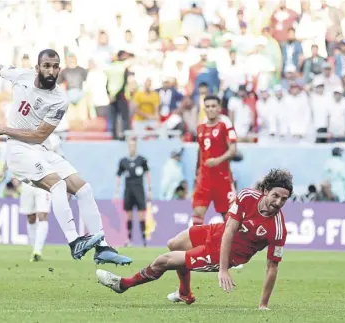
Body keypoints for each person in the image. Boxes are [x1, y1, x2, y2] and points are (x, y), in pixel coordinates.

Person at [0, 49, 132, 266]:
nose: (51, 70)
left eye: (55, 66)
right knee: (58, 186)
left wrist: (6, 129)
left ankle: (103, 247)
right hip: (18, 150)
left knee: (84, 189)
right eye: (46, 66)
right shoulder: (22, 76)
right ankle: (74, 241)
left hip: (39, 147)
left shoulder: (59, 100)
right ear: (37, 68)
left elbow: (40, 135)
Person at [95, 169, 292, 310]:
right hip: (218, 232)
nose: (278, 202)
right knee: (174, 244)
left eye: (284, 199)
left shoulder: (277, 229)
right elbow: (230, 230)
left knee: (165, 261)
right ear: (266, 191)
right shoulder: (247, 196)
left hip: (223, 254)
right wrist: (223, 270)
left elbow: (272, 268)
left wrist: (263, 305)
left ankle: (123, 284)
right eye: (275, 196)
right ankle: (185, 293)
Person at [191, 95, 238, 226]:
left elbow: (233, 149)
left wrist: (218, 160)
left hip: (222, 178)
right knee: (198, 213)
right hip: (204, 178)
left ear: (219, 108)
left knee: (228, 216)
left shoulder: (224, 124)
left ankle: (232, 245)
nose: (210, 109)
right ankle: (198, 244)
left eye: (213, 106)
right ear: (204, 109)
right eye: (207, 106)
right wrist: (197, 171)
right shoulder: (200, 126)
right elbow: (200, 150)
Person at [19, 134, 62, 262]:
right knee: (31, 217)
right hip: (27, 183)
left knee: (42, 215)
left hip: (44, 183)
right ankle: (34, 250)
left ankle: (38, 250)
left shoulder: (54, 139)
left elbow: (59, 160)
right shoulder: (26, 135)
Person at [115, 138, 152, 246]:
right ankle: (129, 239)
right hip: (128, 191)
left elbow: (147, 174)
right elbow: (118, 175)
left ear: (136, 147)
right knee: (129, 216)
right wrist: (116, 190)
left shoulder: (142, 160)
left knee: (141, 215)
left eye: (134, 145)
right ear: (128, 147)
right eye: (130, 145)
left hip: (139, 191)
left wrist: (149, 189)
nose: (132, 147)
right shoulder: (123, 161)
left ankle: (144, 240)